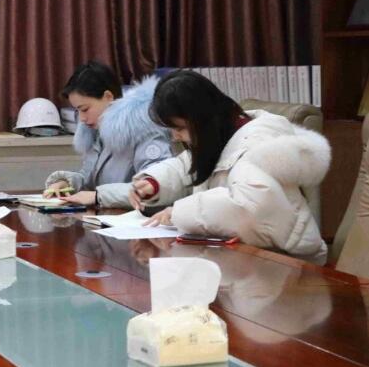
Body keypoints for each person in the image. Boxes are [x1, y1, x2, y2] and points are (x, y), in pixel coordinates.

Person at [133, 70, 329, 264]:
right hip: (250, 257)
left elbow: (246, 208)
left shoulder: (256, 146)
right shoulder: (224, 132)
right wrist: (154, 182)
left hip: (290, 264)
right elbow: (190, 164)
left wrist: (177, 213)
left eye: (179, 128)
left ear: (202, 119)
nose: (175, 137)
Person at [43, 61, 173, 207]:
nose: (81, 118)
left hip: (136, 218)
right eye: (77, 111)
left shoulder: (145, 130)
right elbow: (90, 180)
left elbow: (155, 185)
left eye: (85, 109)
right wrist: (66, 183)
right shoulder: (96, 132)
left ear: (108, 96)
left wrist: (99, 196)